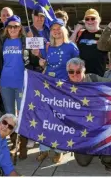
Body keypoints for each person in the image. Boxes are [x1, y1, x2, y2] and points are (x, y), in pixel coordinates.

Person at [61, 58, 111, 171]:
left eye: (78, 71)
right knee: (83, 162)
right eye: (71, 72)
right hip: (80, 131)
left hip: (100, 125)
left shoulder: (93, 79)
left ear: (84, 70)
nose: (75, 75)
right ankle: (90, 150)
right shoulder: (64, 86)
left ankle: (106, 157)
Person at [0, 15, 40, 160]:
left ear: (20, 28)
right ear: (6, 28)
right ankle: (13, 144)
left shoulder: (25, 41)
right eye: (10, 26)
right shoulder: (2, 41)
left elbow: (34, 59)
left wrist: (33, 46)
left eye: (16, 26)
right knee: (9, 114)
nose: (13, 29)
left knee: (22, 114)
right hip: (6, 82)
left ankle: (23, 145)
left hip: (22, 82)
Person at [37, 19, 79, 163]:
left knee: (60, 120)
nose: (56, 31)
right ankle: (44, 149)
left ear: (64, 30)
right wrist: (41, 62)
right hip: (48, 88)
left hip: (64, 89)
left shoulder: (71, 47)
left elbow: (77, 67)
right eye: (53, 29)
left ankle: (59, 150)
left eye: (58, 28)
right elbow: (43, 62)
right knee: (45, 118)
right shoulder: (48, 47)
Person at [70, 9, 108, 76]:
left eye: (93, 18)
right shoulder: (80, 33)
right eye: (87, 19)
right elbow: (70, 45)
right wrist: (76, 30)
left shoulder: (104, 33)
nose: (90, 21)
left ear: (99, 20)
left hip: (98, 75)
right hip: (81, 75)